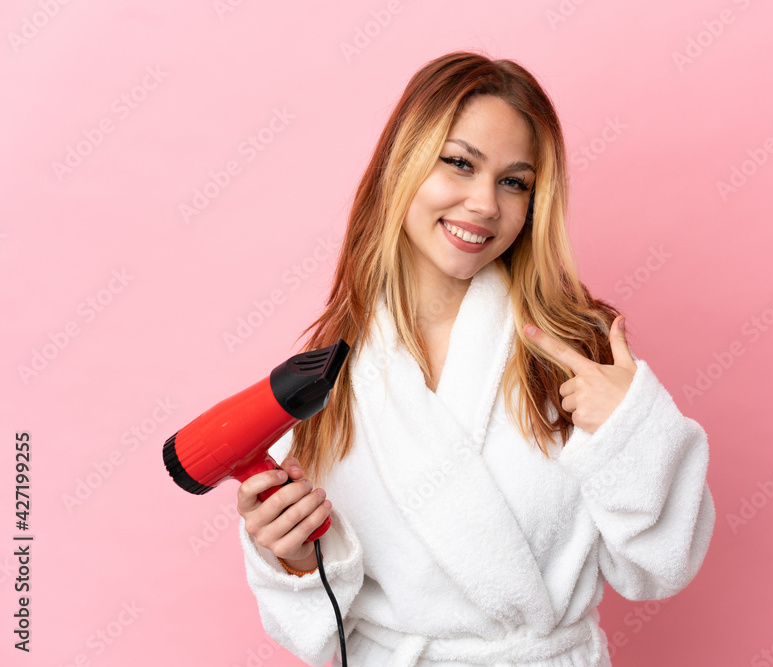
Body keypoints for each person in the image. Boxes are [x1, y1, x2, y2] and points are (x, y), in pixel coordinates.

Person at [235, 51, 715, 667]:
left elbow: (657, 568)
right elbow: (315, 632)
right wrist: (295, 560)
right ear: (402, 164)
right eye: (460, 163)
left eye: (514, 182)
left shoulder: (577, 353)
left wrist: (633, 429)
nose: (486, 203)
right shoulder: (322, 381)